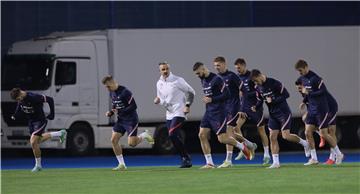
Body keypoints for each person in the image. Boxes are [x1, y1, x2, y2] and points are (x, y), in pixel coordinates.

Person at [193, 62, 252, 169]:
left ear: (203, 69)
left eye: (198, 73)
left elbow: (227, 94)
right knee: (201, 135)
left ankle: (242, 147)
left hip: (219, 112)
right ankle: (210, 163)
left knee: (222, 139)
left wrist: (212, 99)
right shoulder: (203, 79)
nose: (197, 76)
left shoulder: (216, 79)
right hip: (209, 112)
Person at [250, 69, 310, 169]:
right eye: (254, 82)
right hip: (273, 115)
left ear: (260, 75)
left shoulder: (274, 83)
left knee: (285, 136)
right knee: (272, 137)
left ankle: (305, 143)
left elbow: (286, 95)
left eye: (256, 80)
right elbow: (260, 99)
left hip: (283, 113)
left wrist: (273, 100)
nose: (256, 83)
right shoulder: (258, 87)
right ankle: (276, 162)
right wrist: (255, 106)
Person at [294, 60, 343, 165]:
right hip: (314, 109)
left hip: (328, 107)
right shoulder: (302, 80)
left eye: (301, 70)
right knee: (307, 132)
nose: (300, 73)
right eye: (298, 71)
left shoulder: (315, 78)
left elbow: (322, 92)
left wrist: (309, 93)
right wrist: (304, 101)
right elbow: (308, 95)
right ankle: (314, 158)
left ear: (306, 67)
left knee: (330, 131)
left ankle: (336, 155)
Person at [102, 75, 154, 171]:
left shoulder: (125, 92)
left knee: (132, 144)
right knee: (113, 140)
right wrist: (111, 113)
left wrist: (122, 111)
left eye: (108, 86)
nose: (107, 88)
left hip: (131, 120)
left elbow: (134, 106)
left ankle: (144, 135)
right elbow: (115, 105)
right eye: (106, 87)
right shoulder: (111, 92)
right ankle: (122, 164)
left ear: (112, 82)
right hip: (121, 120)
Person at [213, 56, 257, 168]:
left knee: (228, 132)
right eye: (215, 66)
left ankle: (228, 160)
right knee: (230, 133)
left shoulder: (232, 76)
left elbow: (245, 92)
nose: (216, 67)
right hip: (223, 109)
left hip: (234, 108)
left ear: (224, 64)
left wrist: (242, 108)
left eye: (218, 65)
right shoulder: (217, 77)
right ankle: (249, 144)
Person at [10, 88, 67, 172]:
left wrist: (52, 114)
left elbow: (50, 99)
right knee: (37, 142)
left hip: (40, 121)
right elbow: (20, 105)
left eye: (18, 98)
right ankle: (60, 133)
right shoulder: (21, 99)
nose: (18, 100)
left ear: (20, 93)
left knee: (33, 142)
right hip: (31, 122)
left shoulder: (33, 97)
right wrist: (15, 114)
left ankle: (38, 165)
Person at [154, 62, 195, 168]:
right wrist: (159, 101)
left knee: (172, 134)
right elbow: (163, 99)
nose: (165, 71)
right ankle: (185, 158)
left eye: (167, 68)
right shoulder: (159, 83)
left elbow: (191, 92)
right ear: (160, 71)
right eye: (163, 69)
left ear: (169, 68)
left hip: (179, 111)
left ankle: (186, 157)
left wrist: (187, 105)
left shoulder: (177, 80)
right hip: (169, 113)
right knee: (173, 137)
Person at [233, 58, 271, 165]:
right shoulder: (238, 78)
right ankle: (246, 146)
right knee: (235, 128)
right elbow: (240, 95)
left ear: (244, 66)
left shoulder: (252, 76)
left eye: (239, 68)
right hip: (244, 108)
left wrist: (257, 105)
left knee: (261, 130)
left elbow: (259, 92)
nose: (238, 70)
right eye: (236, 68)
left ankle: (267, 154)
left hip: (255, 107)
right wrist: (240, 107)